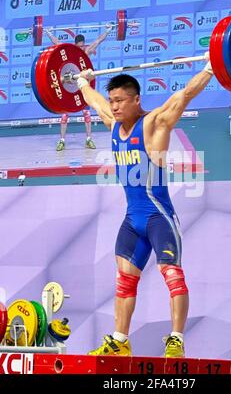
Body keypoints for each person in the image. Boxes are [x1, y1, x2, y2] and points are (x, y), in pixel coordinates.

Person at [76, 56, 214, 358]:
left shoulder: (153, 124)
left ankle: (176, 338)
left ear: (136, 99)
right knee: (124, 280)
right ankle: (120, 340)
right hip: (132, 219)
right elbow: (95, 101)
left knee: (172, 274)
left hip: (158, 216)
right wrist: (80, 80)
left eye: (121, 101)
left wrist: (210, 68)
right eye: (113, 101)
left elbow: (184, 96)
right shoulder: (113, 124)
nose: (114, 106)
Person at [45, 26, 112, 151]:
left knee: (87, 114)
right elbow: (57, 43)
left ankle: (88, 139)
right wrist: (48, 33)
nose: (81, 48)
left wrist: (108, 31)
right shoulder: (69, 53)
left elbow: (98, 41)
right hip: (68, 88)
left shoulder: (86, 52)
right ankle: (62, 140)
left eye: (83, 46)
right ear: (75, 45)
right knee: (65, 115)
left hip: (82, 87)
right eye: (79, 46)